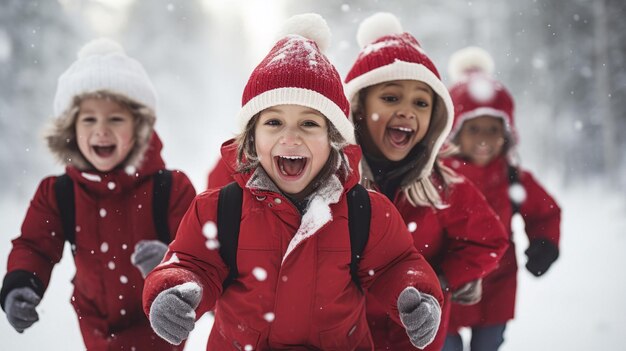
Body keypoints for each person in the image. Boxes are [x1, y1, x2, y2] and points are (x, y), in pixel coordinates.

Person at [143, 13, 444, 350]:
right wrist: (174, 288)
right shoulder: (219, 209)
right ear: (251, 138)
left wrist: (416, 295)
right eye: (273, 122)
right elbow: (189, 262)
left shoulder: (365, 211)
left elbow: (397, 264)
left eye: (309, 124)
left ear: (333, 138)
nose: (290, 137)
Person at [0, 38, 196, 350]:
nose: (101, 130)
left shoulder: (169, 188)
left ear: (139, 127)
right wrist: (22, 283)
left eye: (115, 118)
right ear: (71, 130)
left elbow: (198, 254)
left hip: (159, 331)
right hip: (96, 331)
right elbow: (35, 246)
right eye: (88, 119)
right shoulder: (59, 193)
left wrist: (167, 266)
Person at [343, 13, 510, 351]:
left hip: (418, 339)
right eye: (391, 98)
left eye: (420, 102)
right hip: (347, 336)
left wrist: (444, 278)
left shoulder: (442, 187)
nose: (407, 111)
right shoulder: (334, 183)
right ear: (358, 107)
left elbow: (488, 240)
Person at [441, 47, 561, 351]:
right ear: (455, 133)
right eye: (474, 129)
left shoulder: (512, 177)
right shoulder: (439, 177)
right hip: (448, 282)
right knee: (444, 345)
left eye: (493, 130)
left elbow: (545, 212)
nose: (484, 139)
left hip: (497, 284)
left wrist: (544, 242)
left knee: (488, 345)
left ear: (506, 134)